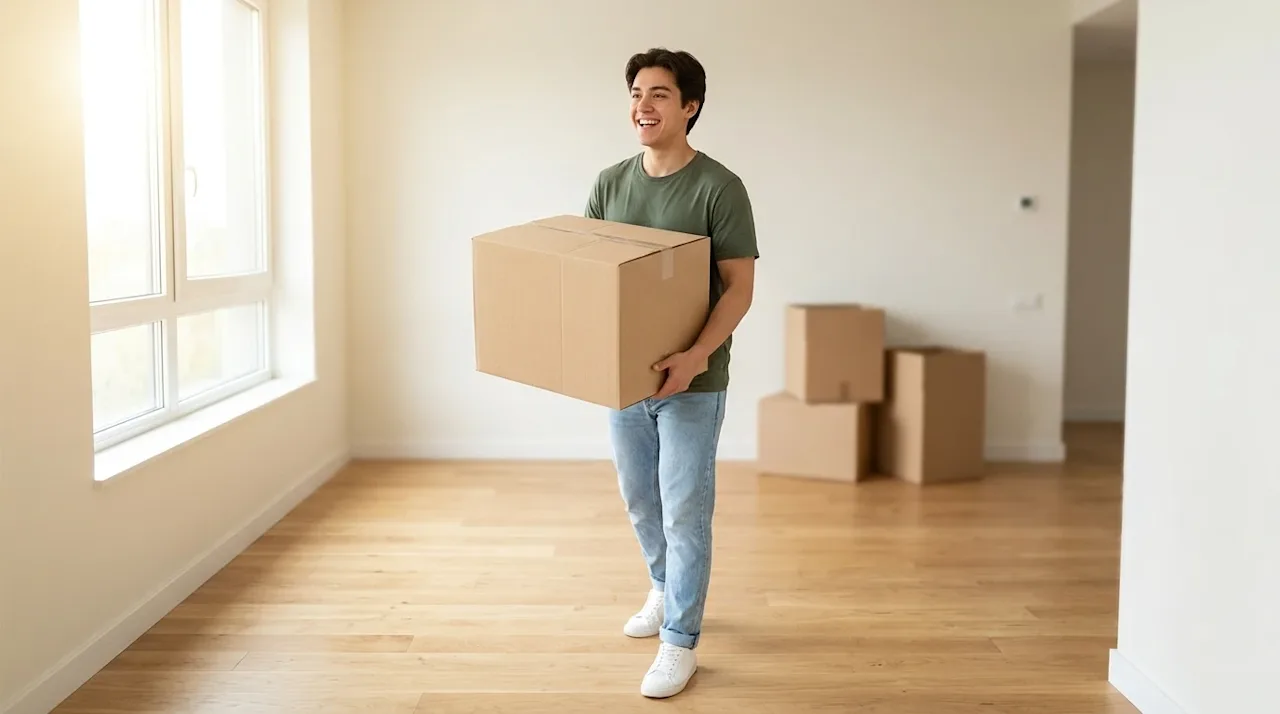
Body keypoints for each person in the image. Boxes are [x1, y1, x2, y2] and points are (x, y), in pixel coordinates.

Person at [584, 47, 759, 699]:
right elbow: (592, 278)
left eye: (659, 94)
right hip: (624, 380)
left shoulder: (719, 187)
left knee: (686, 508)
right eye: (636, 93)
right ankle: (662, 587)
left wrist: (694, 358)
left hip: (693, 383)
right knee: (641, 500)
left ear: (690, 106)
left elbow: (739, 287)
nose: (643, 106)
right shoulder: (610, 183)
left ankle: (680, 642)